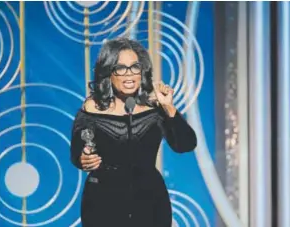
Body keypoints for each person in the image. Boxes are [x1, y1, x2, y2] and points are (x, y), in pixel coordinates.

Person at [70, 38, 197, 227]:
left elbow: (186, 144)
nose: (129, 75)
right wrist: (83, 158)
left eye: (134, 67)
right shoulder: (93, 107)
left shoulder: (155, 108)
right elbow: (77, 150)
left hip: (150, 201)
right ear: (109, 73)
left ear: (142, 71)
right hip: (103, 202)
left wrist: (169, 108)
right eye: (120, 68)